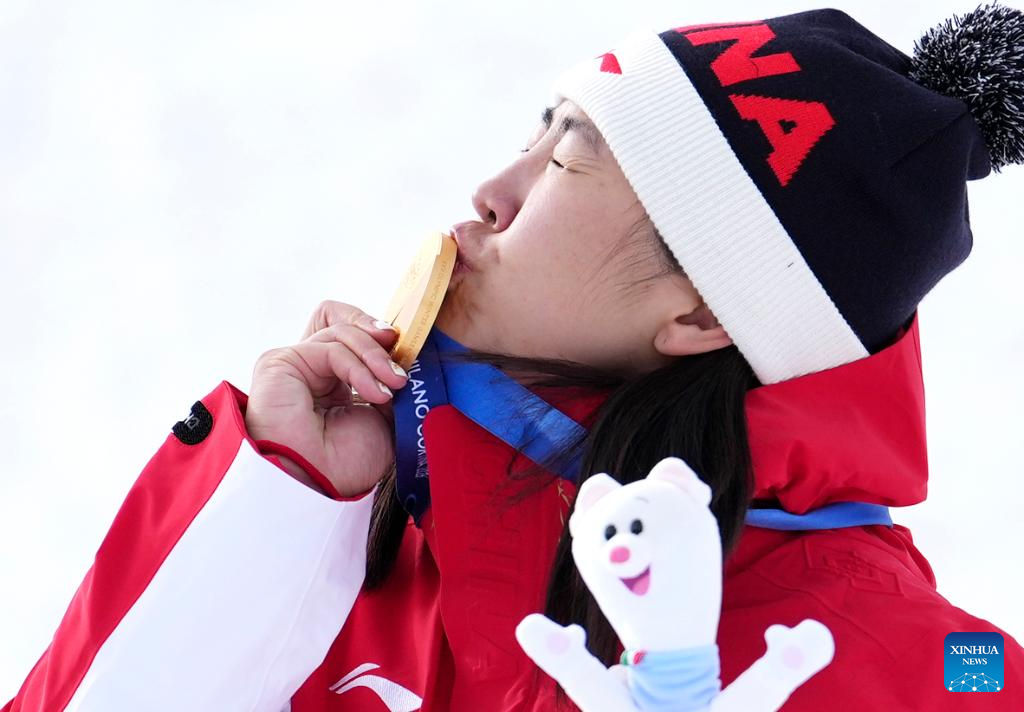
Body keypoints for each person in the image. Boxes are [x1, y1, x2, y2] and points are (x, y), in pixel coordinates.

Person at [4, 4, 1024, 711]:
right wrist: (276, 507)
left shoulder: (936, 670)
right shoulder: (357, 541)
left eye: (569, 158)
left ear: (703, 311)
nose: (493, 191)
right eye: (538, 133)